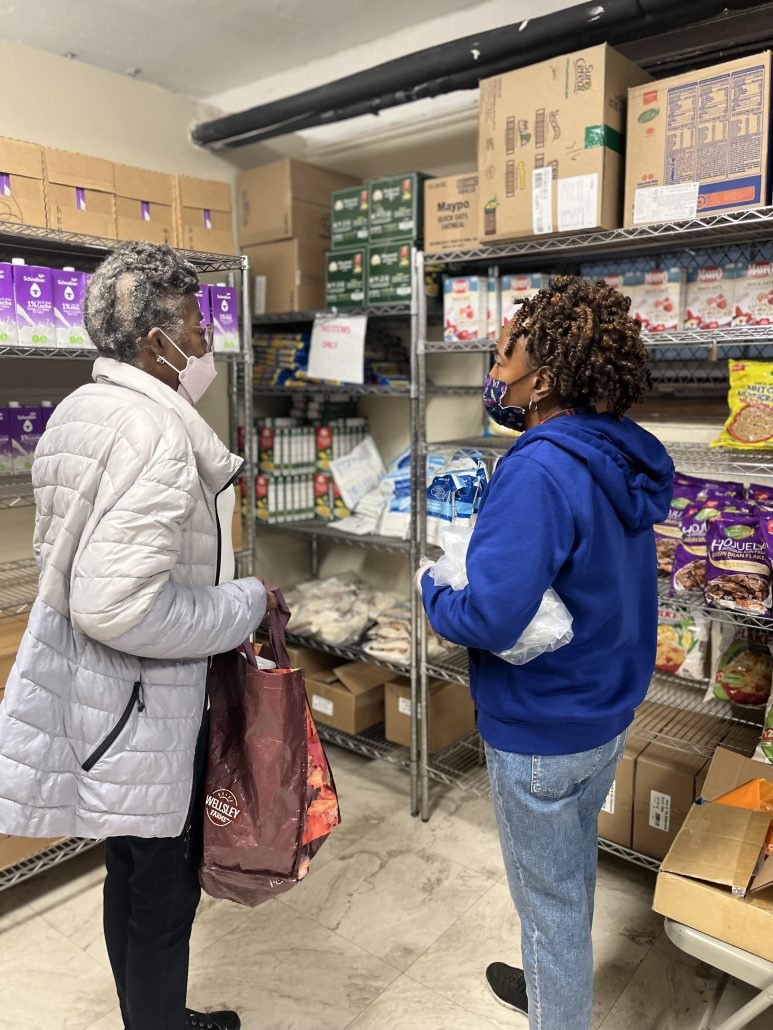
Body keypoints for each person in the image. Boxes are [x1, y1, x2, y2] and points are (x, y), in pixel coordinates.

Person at [0, 242, 275, 1030]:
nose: (204, 343)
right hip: (146, 702)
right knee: (162, 893)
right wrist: (242, 605)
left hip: (105, 697)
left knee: (129, 864)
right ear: (157, 342)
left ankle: (154, 1019)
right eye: (194, 323)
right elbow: (120, 606)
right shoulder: (154, 433)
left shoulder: (80, 410)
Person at [419, 275, 673, 1030]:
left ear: (547, 377)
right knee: (566, 876)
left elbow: (493, 618)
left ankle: (557, 1007)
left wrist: (435, 589)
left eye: (503, 358)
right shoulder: (617, 456)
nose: (494, 374)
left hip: (541, 729)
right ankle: (551, 983)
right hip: (603, 713)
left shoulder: (536, 467)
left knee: (549, 901)